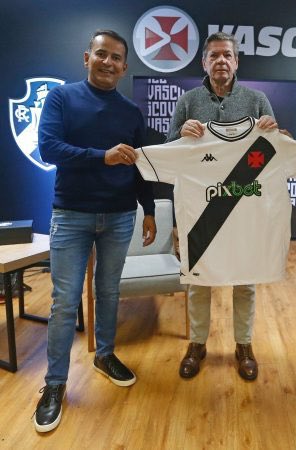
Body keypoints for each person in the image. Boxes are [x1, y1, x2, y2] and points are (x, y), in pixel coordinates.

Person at [34, 30, 156, 433]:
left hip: (120, 216)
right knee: (64, 302)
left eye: (116, 57)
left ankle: (105, 355)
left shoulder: (131, 112)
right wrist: (102, 157)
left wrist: (150, 210)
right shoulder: (61, 98)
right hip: (71, 214)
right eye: (101, 54)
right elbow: (49, 148)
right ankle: (55, 384)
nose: (108, 62)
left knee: (109, 292)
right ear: (87, 57)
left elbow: (140, 166)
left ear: (124, 67)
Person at [166, 32, 278, 381]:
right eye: (214, 55)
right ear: (204, 62)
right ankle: (197, 344)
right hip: (202, 207)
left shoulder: (257, 100)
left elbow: (274, 150)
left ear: (236, 61)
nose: (221, 61)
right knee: (199, 278)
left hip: (244, 205)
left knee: (245, 279)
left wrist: (272, 130)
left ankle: (244, 345)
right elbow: (169, 150)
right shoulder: (188, 101)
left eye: (227, 55)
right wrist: (180, 133)